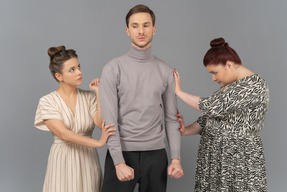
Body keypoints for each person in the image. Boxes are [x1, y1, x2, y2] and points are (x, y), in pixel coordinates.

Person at [99, 4, 184, 192]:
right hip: (121, 153)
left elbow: (171, 118)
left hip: (156, 156)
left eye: (146, 25)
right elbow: (110, 121)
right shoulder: (113, 69)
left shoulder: (166, 70)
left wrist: (176, 159)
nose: (141, 31)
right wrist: (119, 162)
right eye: (135, 26)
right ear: (127, 30)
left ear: (154, 29)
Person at [174, 37, 269, 191]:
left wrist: (179, 92)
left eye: (214, 72)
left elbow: (212, 106)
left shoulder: (254, 86)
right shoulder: (231, 88)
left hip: (238, 162)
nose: (213, 78)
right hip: (216, 161)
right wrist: (184, 131)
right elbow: (209, 120)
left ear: (229, 65)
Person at [34, 46, 116, 192]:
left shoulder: (89, 97)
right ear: (59, 76)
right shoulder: (47, 101)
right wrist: (98, 143)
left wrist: (98, 92)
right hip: (62, 160)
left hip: (88, 160)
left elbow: (98, 123)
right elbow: (63, 134)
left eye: (79, 67)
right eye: (72, 70)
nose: (79, 72)